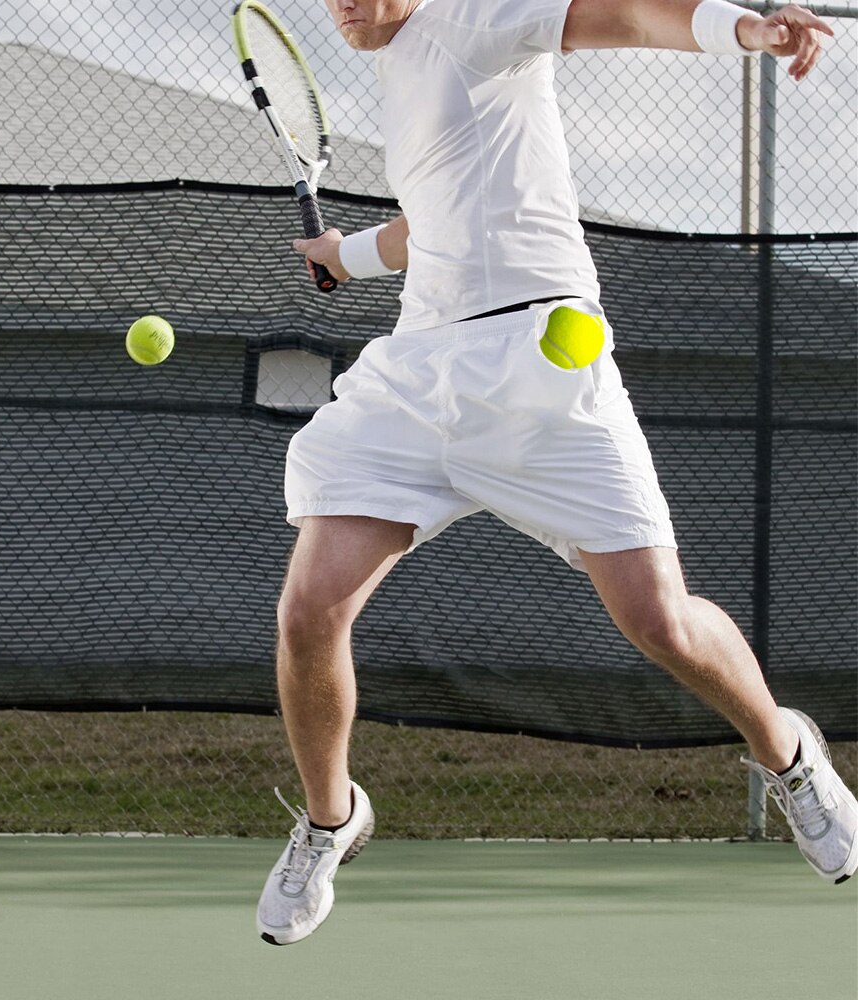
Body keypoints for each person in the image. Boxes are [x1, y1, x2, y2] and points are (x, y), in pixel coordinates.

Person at [255, 0, 856, 946]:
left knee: (659, 620)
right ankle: (332, 819)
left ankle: (789, 758)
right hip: (419, 374)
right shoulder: (401, 65)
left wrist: (746, 30)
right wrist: (350, 256)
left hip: (542, 362)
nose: (347, 4)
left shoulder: (480, 15)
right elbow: (440, 217)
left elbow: (618, 15)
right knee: (310, 610)